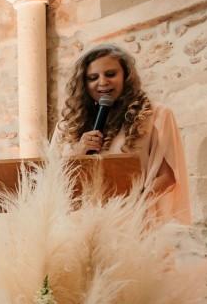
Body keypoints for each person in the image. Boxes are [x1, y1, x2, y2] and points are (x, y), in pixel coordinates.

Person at [58, 44, 192, 224]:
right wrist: (80, 150)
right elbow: (55, 177)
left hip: (135, 223)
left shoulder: (156, 115)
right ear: (84, 83)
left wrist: (134, 206)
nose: (103, 82)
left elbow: (167, 176)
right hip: (82, 223)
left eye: (111, 74)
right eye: (93, 77)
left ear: (126, 76)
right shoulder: (70, 124)